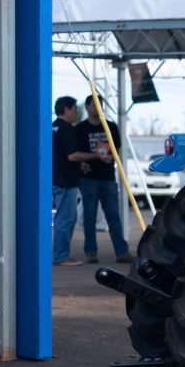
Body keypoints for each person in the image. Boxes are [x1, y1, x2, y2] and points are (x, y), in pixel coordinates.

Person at [75, 95, 134, 264]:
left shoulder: (111, 127)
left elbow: (116, 148)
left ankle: (122, 252)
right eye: (94, 105)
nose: (97, 108)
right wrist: (82, 164)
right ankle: (91, 252)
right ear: (87, 107)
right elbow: (74, 153)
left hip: (107, 178)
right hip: (88, 179)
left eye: (100, 105)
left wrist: (111, 158)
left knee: (113, 216)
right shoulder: (80, 129)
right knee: (90, 216)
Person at [52, 96, 85, 266]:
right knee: (66, 219)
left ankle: (61, 254)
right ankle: (61, 255)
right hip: (66, 182)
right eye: (75, 109)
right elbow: (72, 155)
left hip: (56, 179)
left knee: (63, 218)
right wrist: (95, 157)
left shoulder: (52, 128)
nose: (76, 113)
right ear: (67, 109)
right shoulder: (67, 130)